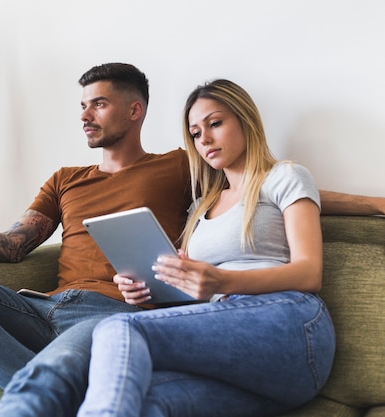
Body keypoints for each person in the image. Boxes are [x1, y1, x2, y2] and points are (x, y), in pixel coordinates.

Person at [0, 63, 383, 413]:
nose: (84, 115)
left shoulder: (182, 168)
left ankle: (54, 382)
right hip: (39, 307)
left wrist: (377, 204)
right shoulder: (66, 178)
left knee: (107, 348)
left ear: (133, 110)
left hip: (110, 312)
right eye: (82, 106)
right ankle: (59, 381)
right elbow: (12, 246)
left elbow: (271, 183)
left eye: (97, 104)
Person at [73, 79, 336, 417]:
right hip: (237, 354)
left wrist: (221, 281)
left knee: (116, 327)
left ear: (245, 120)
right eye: (196, 133)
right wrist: (149, 291)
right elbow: (201, 295)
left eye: (215, 123)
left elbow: (309, 273)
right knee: (149, 403)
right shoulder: (201, 206)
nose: (205, 139)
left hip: (291, 325)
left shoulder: (284, 177)